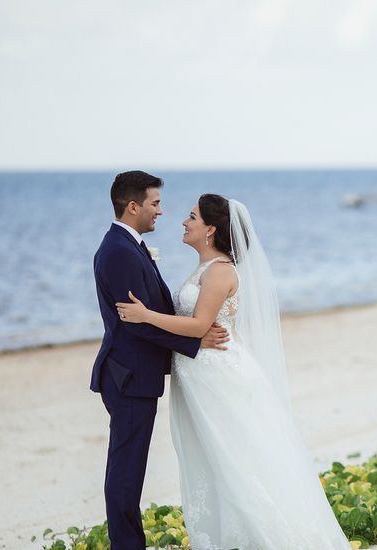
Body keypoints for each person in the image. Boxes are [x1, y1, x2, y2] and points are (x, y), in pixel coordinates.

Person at [116, 193, 352, 549]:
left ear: (210, 229)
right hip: (200, 373)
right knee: (214, 459)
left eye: (191, 216)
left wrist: (146, 316)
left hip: (217, 375)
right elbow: (199, 324)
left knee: (237, 458)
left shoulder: (221, 270)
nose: (183, 221)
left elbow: (198, 326)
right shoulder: (204, 269)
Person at [91, 171, 230, 550]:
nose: (161, 212)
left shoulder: (128, 246)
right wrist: (195, 341)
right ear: (133, 206)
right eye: (155, 203)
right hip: (128, 377)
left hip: (134, 374)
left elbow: (147, 313)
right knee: (126, 471)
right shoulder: (119, 251)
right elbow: (133, 322)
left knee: (129, 469)